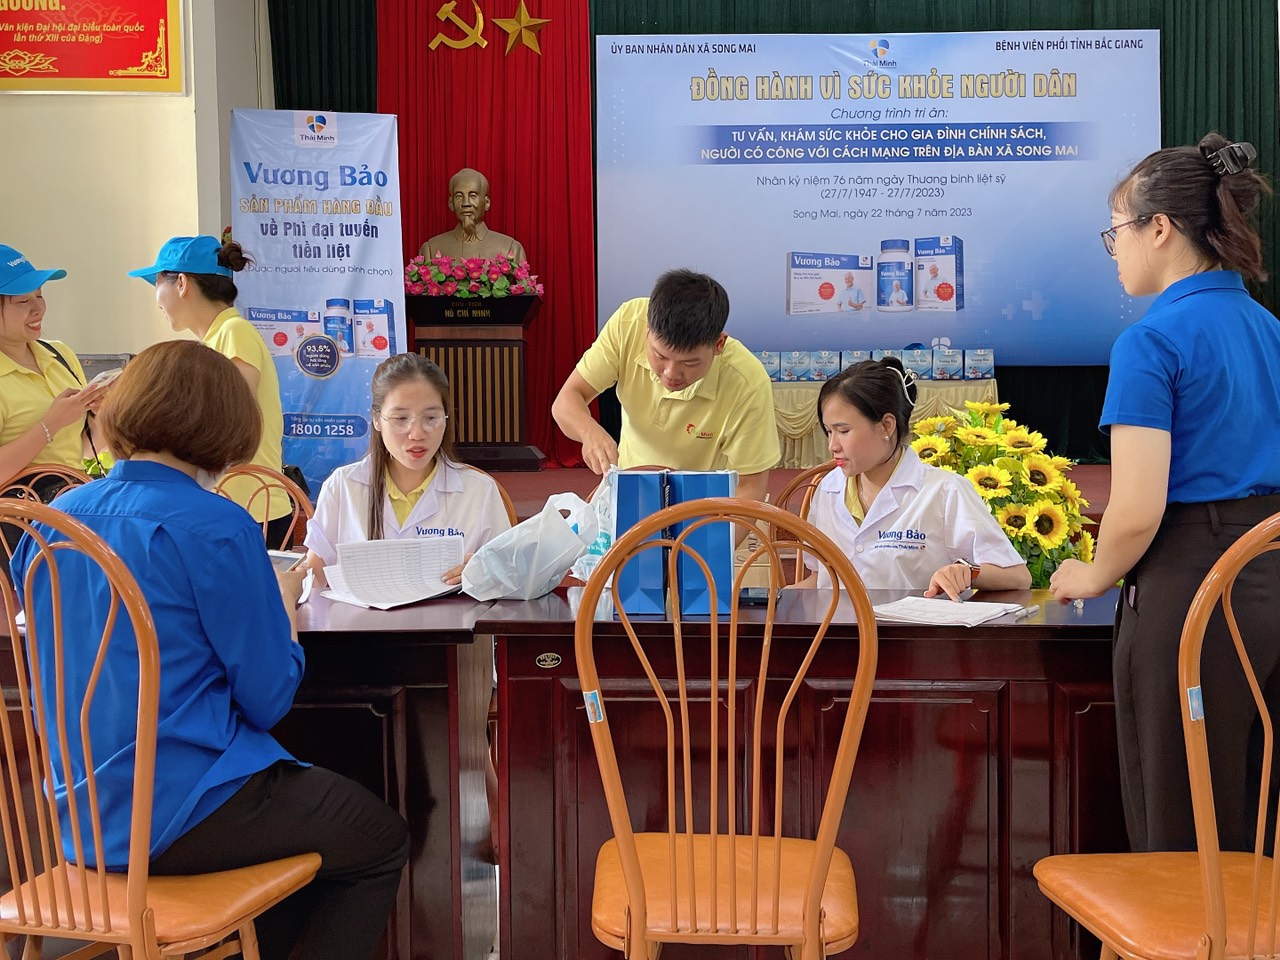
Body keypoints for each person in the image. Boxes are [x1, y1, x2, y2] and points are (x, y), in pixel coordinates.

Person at [9, 341, 409, 960]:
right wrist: (282, 606)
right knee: (379, 839)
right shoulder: (214, 525)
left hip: (75, 811)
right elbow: (269, 699)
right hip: (183, 808)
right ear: (226, 425)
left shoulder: (51, 522)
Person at [1049, 132, 1280, 853]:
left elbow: (1137, 507)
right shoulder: (1269, 328)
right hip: (1271, 572)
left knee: (1180, 817)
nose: (1113, 249)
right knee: (1261, 813)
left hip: (1192, 588)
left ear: (1159, 228)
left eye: (1116, 230)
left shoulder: (1150, 342)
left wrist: (1092, 573)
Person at [799, 358, 1031, 599]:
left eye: (843, 431)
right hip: (838, 623)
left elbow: (1018, 576)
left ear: (886, 426)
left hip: (915, 624)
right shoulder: (828, 489)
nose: (832, 445)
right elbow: (819, 578)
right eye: (829, 431)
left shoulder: (944, 491)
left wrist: (967, 572)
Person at [551, 268, 780, 502]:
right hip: (631, 490)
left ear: (719, 344)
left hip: (706, 504)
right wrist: (589, 432)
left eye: (690, 363)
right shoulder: (627, 324)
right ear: (647, 330)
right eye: (660, 356)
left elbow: (750, 486)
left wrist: (715, 526)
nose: (671, 374)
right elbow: (568, 400)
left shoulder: (747, 381)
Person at [128, 236, 292, 546]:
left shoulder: (234, 332)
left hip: (248, 509)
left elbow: (230, 424)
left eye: (157, 283)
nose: (156, 298)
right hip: (228, 505)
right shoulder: (218, 338)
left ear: (181, 283)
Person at [305, 352, 512, 585]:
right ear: (376, 419)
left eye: (431, 418)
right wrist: (290, 583)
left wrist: (485, 573)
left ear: (445, 418)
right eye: (401, 419)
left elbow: (507, 574)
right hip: (361, 610)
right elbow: (315, 571)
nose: (417, 434)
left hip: (451, 610)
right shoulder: (343, 485)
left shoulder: (479, 490)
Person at [0, 244, 109, 490]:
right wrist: (51, 423)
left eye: (39, 295)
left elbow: (83, 450)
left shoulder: (59, 354)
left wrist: (103, 413)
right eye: (22, 301)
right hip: (23, 510)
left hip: (70, 496)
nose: (38, 309)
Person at [419, 167, 528, 264]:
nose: (466, 203)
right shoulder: (431, 249)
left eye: (473, 196)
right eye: (459, 196)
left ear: (486, 203)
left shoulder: (510, 248)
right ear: (451, 203)